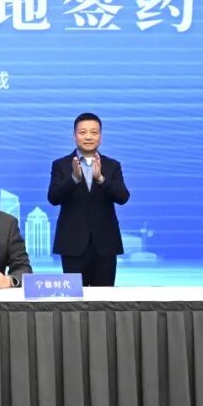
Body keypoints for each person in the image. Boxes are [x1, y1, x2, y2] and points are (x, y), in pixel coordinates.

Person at [47, 112, 130, 287]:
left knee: (104, 299)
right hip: (72, 245)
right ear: (74, 135)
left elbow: (123, 197)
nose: (88, 137)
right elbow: (53, 198)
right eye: (83, 132)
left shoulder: (112, 165)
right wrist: (73, 179)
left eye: (94, 132)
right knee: (75, 299)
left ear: (100, 136)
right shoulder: (61, 165)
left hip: (105, 245)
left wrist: (101, 179)